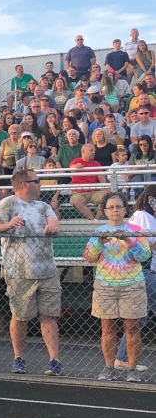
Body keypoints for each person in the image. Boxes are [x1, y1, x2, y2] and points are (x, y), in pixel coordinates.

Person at [0, 169, 62, 376]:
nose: (40, 184)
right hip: (18, 270)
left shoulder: (44, 205)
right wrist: (9, 224)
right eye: (37, 181)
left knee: (49, 316)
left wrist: (53, 227)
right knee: (20, 317)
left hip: (46, 269)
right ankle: (18, 357)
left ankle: (54, 360)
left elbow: (55, 222)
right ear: (25, 184)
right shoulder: (8, 203)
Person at [84, 193, 151, 383]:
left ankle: (132, 368)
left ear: (125, 209)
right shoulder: (100, 231)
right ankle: (109, 367)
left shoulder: (136, 230)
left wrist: (129, 241)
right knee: (107, 328)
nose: (115, 210)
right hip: (105, 285)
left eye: (118, 206)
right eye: (111, 207)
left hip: (132, 285)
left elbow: (144, 256)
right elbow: (89, 257)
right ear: (105, 211)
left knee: (132, 328)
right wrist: (99, 242)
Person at [115, 186, 156, 371]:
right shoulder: (143, 216)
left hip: (148, 271)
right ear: (151, 199)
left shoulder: (149, 217)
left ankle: (121, 358)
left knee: (140, 318)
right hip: (147, 271)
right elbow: (148, 244)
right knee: (138, 317)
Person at [69, 143, 109, 219]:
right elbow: (72, 168)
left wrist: (105, 189)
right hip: (79, 193)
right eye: (91, 150)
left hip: (94, 192)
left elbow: (101, 178)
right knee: (77, 201)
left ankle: (97, 220)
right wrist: (76, 167)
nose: (94, 152)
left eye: (94, 150)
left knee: (105, 199)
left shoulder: (96, 164)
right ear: (83, 151)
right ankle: (92, 220)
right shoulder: (76, 161)